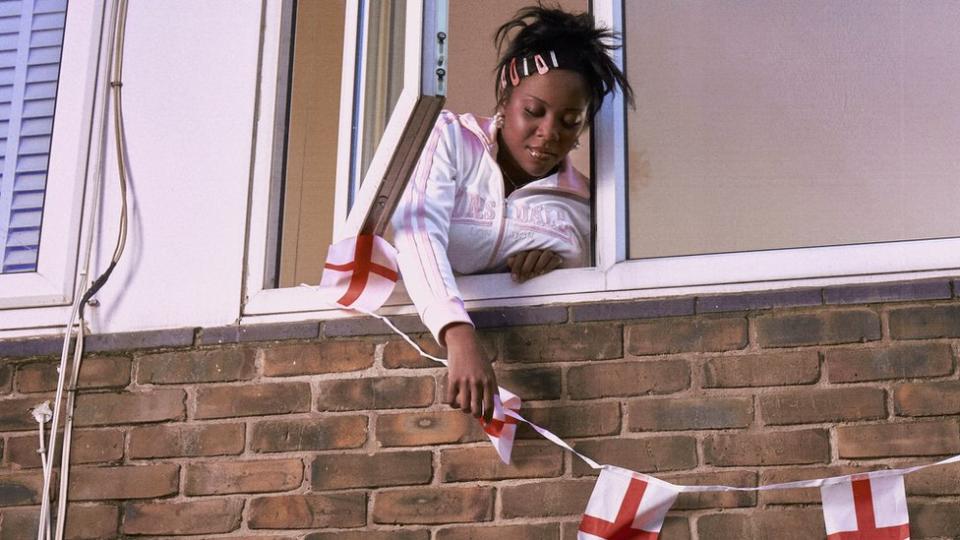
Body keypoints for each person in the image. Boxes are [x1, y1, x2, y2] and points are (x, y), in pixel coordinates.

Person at [391, 5, 633, 422]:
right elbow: (417, 231)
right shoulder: (448, 138)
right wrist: (458, 334)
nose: (549, 133)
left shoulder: (581, 206)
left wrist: (559, 266)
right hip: (410, 348)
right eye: (534, 111)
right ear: (506, 99)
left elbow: (588, 279)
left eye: (570, 120)